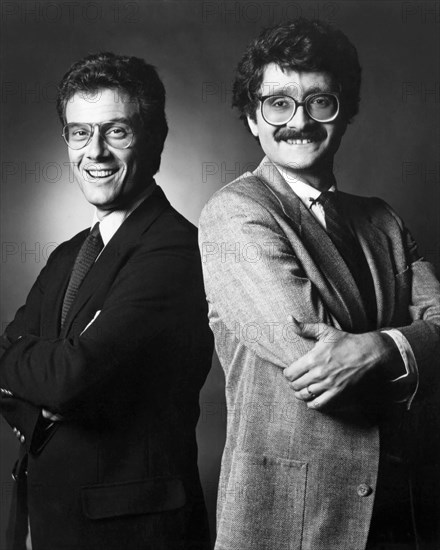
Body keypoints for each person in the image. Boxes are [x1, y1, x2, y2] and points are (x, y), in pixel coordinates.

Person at [199, 19, 440, 550]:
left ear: (346, 111)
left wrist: (381, 346)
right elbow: (316, 360)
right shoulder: (234, 215)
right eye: (278, 103)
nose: (299, 122)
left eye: (320, 101)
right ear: (252, 117)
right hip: (289, 522)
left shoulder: (383, 220)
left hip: (402, 515)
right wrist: (416, 352)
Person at [0, 52, 213, 550]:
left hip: (132, 533)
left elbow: (72, 378)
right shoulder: (68, 254)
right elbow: (13, 359)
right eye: (79, 132)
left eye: (116, 132)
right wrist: (41, 394)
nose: (94, 152)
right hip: (46, 520)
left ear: (155, 139)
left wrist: (44, 379)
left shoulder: (177, 250)